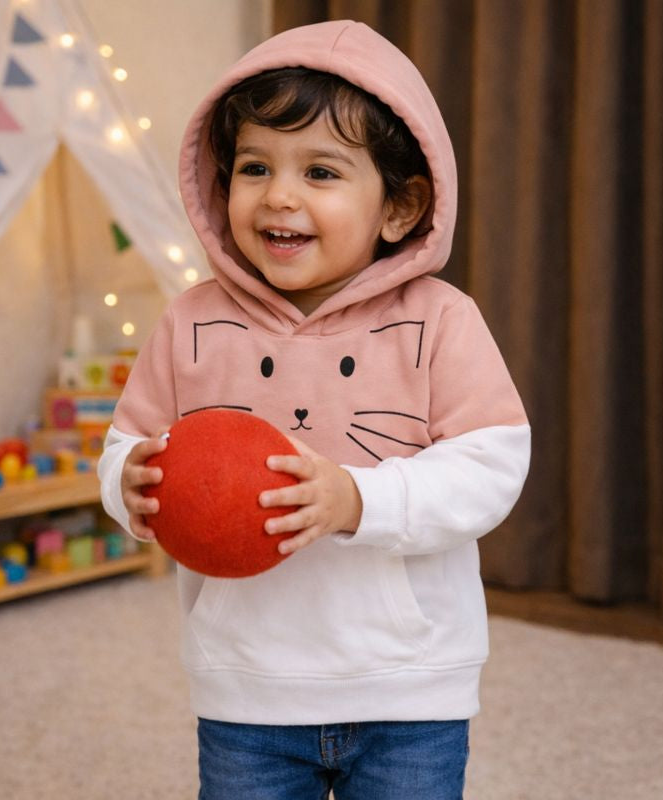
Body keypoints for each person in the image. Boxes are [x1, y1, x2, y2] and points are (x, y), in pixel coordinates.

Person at [98, 20, 530, 800]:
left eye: (321, 171)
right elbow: (128, 441)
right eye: (255, 167)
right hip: (247, 687)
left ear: (399, 207)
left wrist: (360, 499)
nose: (279, 195)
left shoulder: (442, 320)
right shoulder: (191, 321)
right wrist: (125, 482)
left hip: (409, 687)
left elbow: (492, 463)